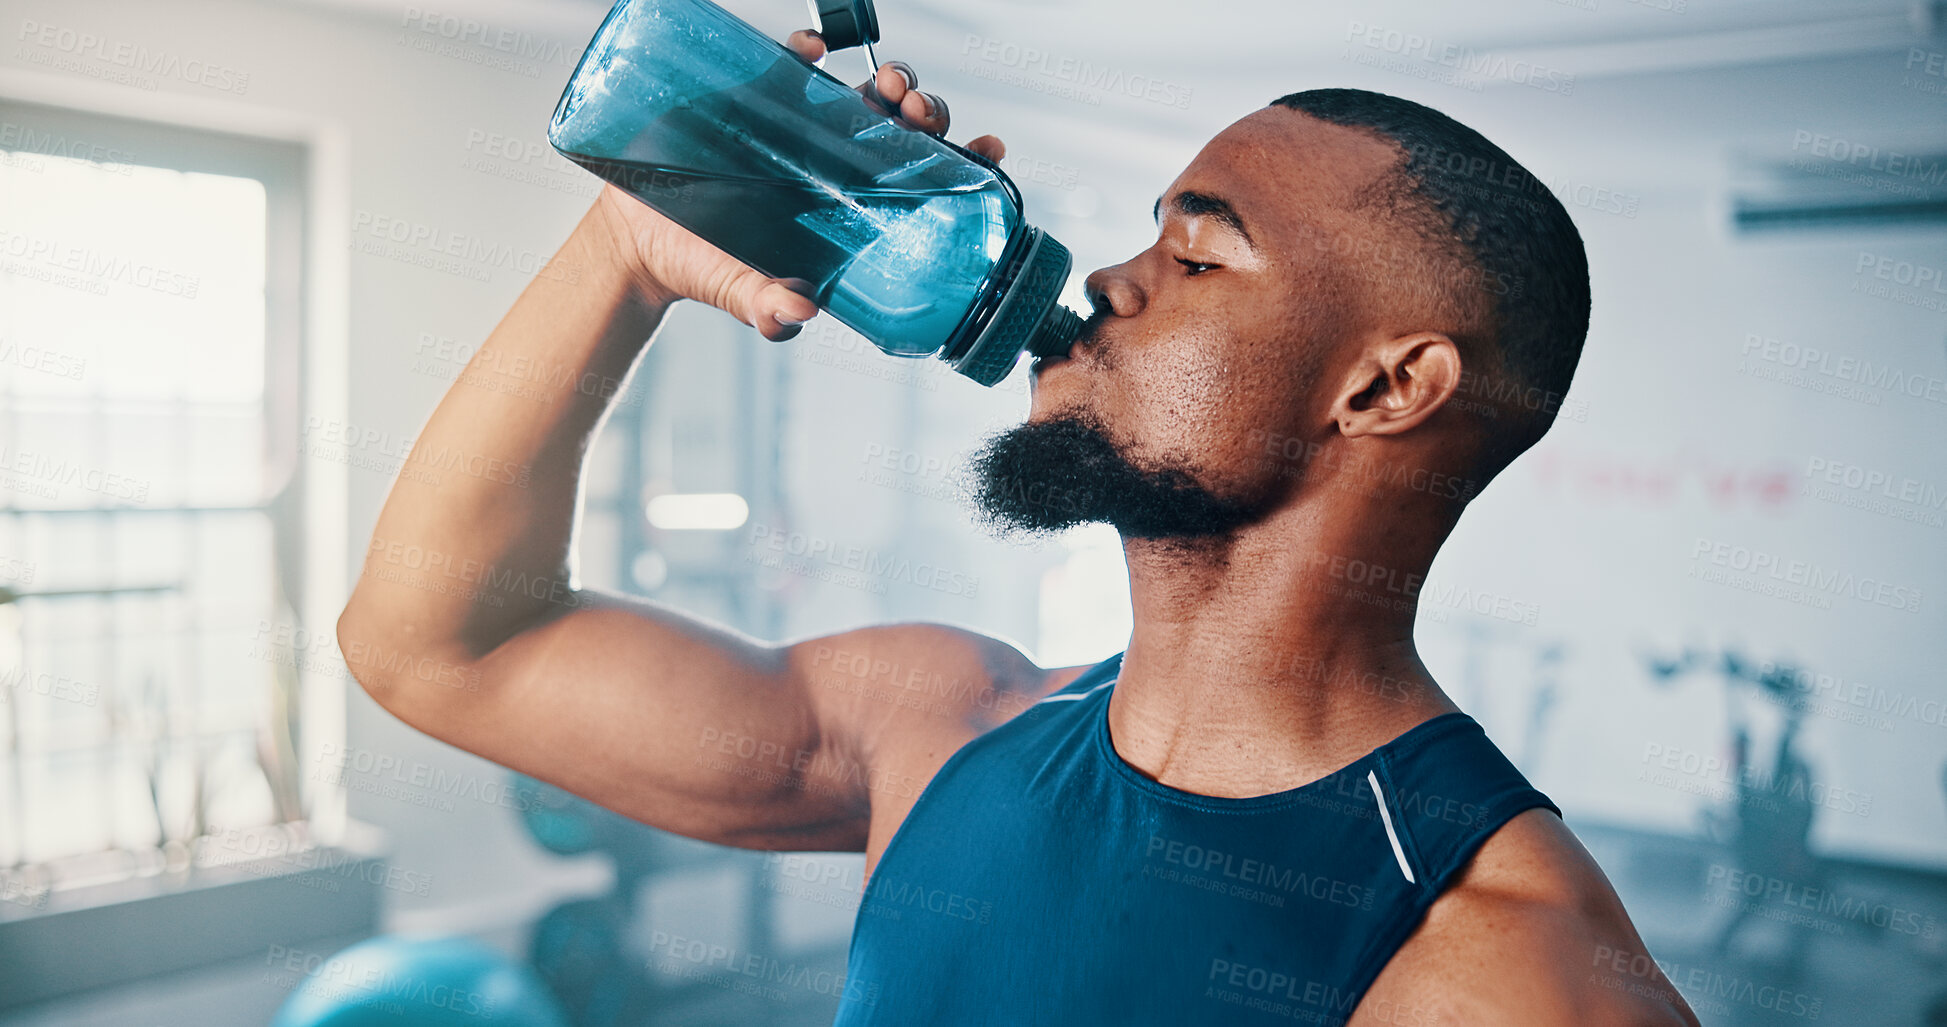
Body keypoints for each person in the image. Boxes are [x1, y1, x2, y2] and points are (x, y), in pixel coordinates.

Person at [338, 27, 1699, 1026]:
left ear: (1388, 386)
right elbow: (438, 647)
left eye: (1198, 253)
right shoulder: (940, 725)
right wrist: (629, 249)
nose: (1111, 278)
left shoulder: (1511, 976)